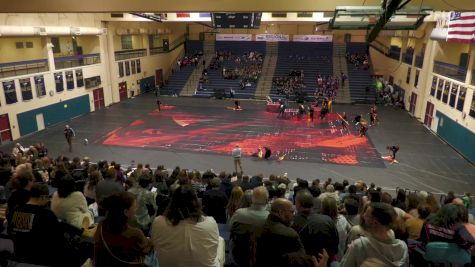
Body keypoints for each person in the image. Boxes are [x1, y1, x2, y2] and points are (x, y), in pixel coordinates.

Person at [151, 184, 223, 267]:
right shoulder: (211, 222)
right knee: (220, 240)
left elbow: (155, 244)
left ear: (172, 202)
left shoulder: (158, 222)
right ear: (196, 202)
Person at [10, 183, 66, 266]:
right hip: (40, 259)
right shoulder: (46, 214)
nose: (47, 200)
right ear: (42, 197)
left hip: (19, 257)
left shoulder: (15, 211)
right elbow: (57, 238)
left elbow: (11, 232)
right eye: (47, 198)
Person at [340, 202, 409, 267]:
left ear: (375, 222)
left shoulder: (359, 245)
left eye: (366, 215)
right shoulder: (403, 247)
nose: (363, 216)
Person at [94, 192, 153, 267]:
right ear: (125, 212)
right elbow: (148, 248)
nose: (136, 208)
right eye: (134, 207)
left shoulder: (101, 225)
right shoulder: (135, 233)